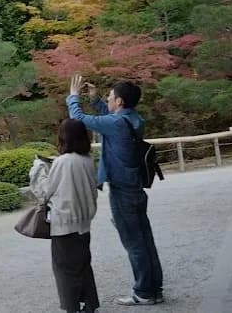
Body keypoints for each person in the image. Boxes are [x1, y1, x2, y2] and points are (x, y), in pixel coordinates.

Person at [66, 75, 164, 306]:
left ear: (119, 101)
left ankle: (144, 292)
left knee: (134, 243)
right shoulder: (133, 119)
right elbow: (110, 118)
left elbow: (78, 119)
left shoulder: (117, 124)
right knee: (145, 241)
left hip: (122, 190)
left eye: (110, 97)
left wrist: (73, 96)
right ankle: (154, 288)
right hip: (136, 188)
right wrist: (97, 100)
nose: (108, 99)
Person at [30, 118, 100, 313]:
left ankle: (72, 307)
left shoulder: (62, 162)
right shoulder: (88, 160)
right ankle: (90, 303)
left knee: (65, 270)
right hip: (84, 224)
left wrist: (38, 169)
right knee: (83, 265)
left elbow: (45, 191)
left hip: (65, 224)